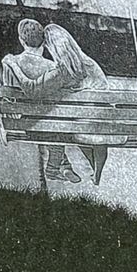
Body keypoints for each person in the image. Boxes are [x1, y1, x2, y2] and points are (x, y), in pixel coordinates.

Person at [0, 18, 75, 182]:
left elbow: (9, 96)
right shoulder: (52, 67)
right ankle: (58, 166)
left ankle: (60, 165)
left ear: (21, 40)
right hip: (51, 123)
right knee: (52, 122)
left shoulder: (10, 63)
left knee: (45, 122)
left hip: (23, 123)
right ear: (44, 43)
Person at [42, 23, 113, 185]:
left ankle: (64, 165)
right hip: (105, 122)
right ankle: (97, 171)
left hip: (82, 125)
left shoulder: (61, 70)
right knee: (93, 133)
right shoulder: (89, 63)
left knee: (74, 129)